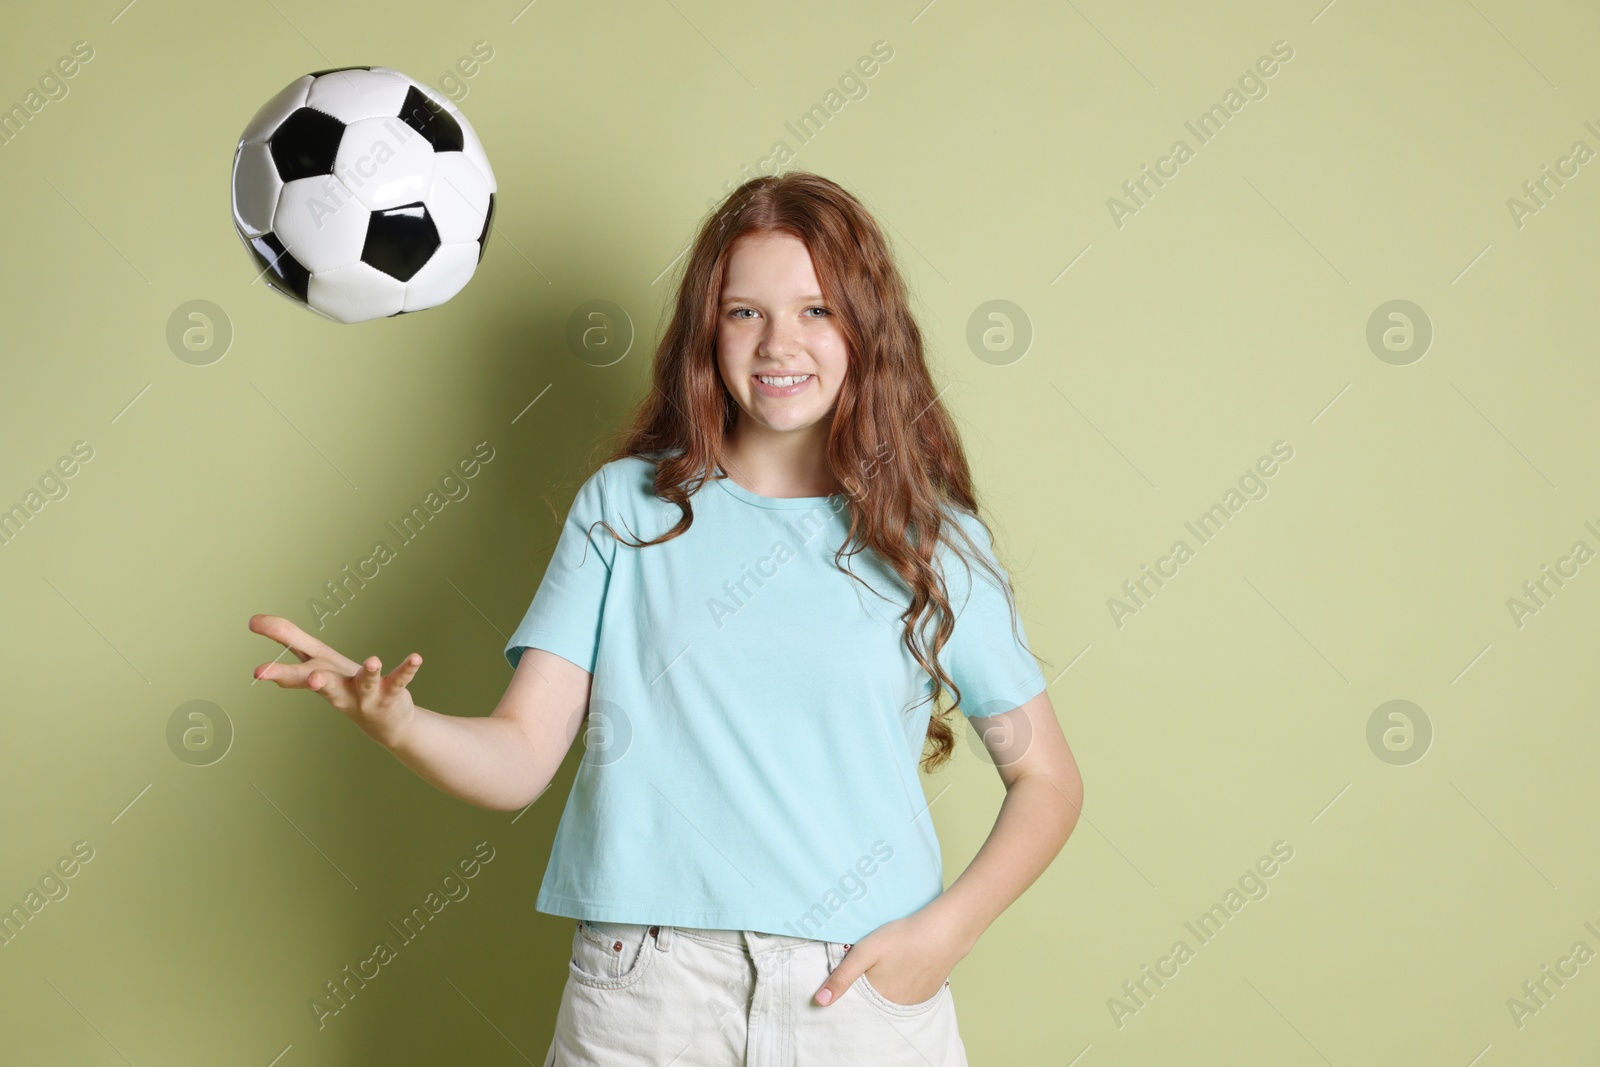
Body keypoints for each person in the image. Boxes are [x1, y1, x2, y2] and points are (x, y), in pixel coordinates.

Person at [250, 171, 1082, 1066]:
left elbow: (1048, 782)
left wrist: (941, 938)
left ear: (866, 328)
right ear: (706, 330)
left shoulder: (932, 537)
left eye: (816, 310)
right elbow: (521, 757)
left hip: (861, 996)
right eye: (744, 313)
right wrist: (400, 723)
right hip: (644, 997)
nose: (778, 343)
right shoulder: (624, 508)